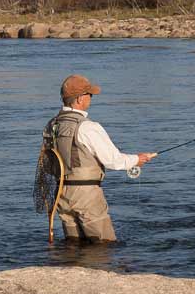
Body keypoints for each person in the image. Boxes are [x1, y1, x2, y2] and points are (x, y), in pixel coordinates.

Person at [41, 74, 156, 242]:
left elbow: (46, 163)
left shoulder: (51, 125)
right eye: (90, 94)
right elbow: (113, 160)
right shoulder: (87, 127)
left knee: (73, 245)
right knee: (103, 245)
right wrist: (136, 160)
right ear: (80, 99)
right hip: (86, 195)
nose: (91, 98)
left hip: (61, 194)